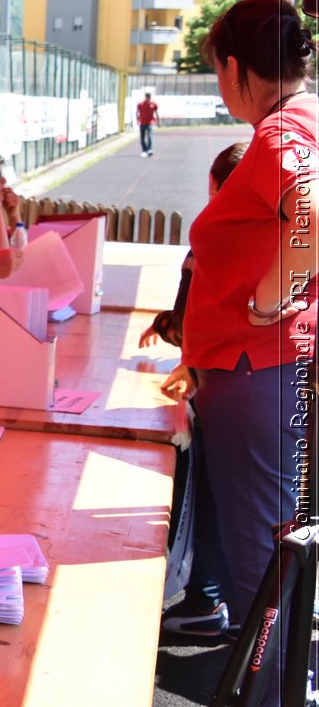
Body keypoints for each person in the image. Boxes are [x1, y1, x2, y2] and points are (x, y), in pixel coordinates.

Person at [178, 0, 316, 707]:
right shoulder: (301, 123)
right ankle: (278, 704)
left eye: (217, 72)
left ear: (236, 67)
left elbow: (314, 215)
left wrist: (271, 298)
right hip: (261, 371)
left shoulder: (283, 130)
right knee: (269, 543)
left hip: (255, 368)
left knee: (260, 549)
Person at [142, 143, 246, 640]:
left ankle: (211, 601)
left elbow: (188, 323)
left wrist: (175, 336)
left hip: (231, 397)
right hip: (274, 395)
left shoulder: (212, 246)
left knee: (209, 495)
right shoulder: (278, 244)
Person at [137, 90, 160, 156]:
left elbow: (156, 113)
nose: (148, 99)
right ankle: (144, 150)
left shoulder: (153, 104)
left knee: (150, 136)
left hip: (150, 122)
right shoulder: (141, 104)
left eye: (149, 97)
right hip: (142, 122)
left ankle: (150, 149)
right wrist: (137, 120)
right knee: (142, 137)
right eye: (147, 97)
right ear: (145, 97)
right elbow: (138, 113)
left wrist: (158, 121)